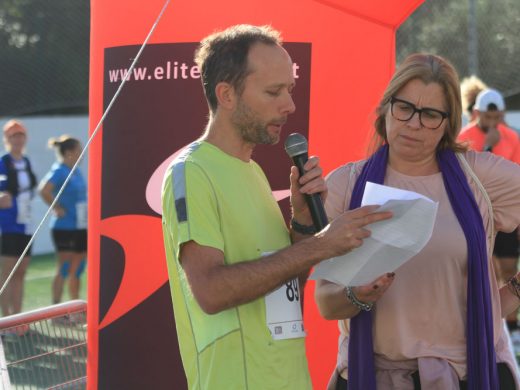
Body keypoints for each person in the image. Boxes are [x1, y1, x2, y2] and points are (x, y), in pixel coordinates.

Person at [161, 24, 393, 389]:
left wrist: (302, 224)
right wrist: (322, 244)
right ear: (227, 95)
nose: (290, 105)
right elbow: (211, 291)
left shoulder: (252, 172)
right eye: (274, 91)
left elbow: (286, 289)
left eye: (290, 89)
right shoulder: (190, 172)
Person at [314, 53, 520, 389]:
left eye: (430, 115)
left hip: (466, 377)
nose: (414, 123)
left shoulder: (479, 176)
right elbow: (325, 303)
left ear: (448, 122)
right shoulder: (345, 186)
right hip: (371, 378)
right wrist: (358, 295)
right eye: (405, 107)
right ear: (386, 108)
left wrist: (512, 293)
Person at [458, 89, 520, 335]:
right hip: (474, 214)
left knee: (507, 268)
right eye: (488, 117)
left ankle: (512, 329)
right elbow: (467, 176)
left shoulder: (512, 137)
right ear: (477, 113)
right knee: (483, 273)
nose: (493, 122)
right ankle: (489, 325)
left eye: (497, 117)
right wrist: (487, 146)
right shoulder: (464, 136)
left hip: (503, 215)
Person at [39, 135, 87, 304]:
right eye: (78, 151)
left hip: (80, 226)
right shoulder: (59, 170)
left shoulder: (76, 171)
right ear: (68, 153)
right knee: (65, 267)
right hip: (64, 227)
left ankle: (75, 310)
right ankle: (57, 310)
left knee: (78, 268)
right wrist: (57, 207)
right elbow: (44, 190)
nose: (82, 154)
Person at [0, 119, 37, 317]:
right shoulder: (2, 162)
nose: (18, 139)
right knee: (6, 274)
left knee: (21, 272)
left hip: (26, 223)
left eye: (20, 135)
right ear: (7, 138)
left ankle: (18, 317)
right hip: (8, 225)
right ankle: (5, 320)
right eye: (14, 135)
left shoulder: (27, 161)